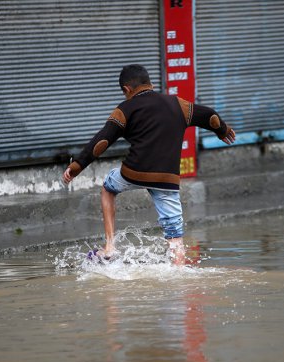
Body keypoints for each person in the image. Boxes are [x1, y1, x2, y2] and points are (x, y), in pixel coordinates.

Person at [62, 64, 236, 265]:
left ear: (127, 90)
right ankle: (179, 279)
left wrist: (76, 167)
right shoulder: (177, 104)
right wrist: (222, 130)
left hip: (134, 171)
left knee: (108, 188)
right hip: (167, 179)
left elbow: (101, 142)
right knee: (175, 238)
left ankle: (110, 246)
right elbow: (209, 115)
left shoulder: (125, 109)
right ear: (149, 83)